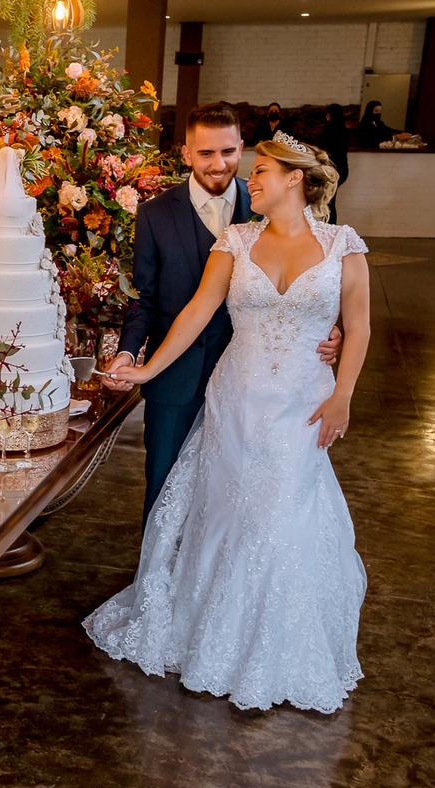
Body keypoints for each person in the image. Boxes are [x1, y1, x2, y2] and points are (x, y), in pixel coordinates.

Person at [84, 130, 372, 713]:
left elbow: (360, 325)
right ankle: (212, 631)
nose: (250, 179)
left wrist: (343, 395)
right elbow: (197, 310)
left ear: (294, 178)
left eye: (261, 170)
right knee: (229, 510)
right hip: (236, 396)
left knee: (281, 511)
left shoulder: (344, 245)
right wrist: (146, 370)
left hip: (302, 403)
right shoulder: (235, 240)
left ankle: (275, 647)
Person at [104, 103, 341, 527]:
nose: (219, 164)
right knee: (164, 489)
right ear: (186, 154)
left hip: (252, 382)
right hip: (174, 377)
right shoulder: (154, 214)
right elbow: (143, 298)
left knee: (239, 493)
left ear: (242, 148)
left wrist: (323, 325)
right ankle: (161, 568)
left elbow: (315, 272)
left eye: (228, 152)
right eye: (206, 153)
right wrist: (127, 353)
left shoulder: (270, 197)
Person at [318, 104, 350, 223]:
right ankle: (331, 226)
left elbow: (322, 148)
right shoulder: (345, 131)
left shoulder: (328, 129)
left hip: (330, 168)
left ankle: (329, 226)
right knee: (331, 199)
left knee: (328, 201)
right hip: (342, 169)